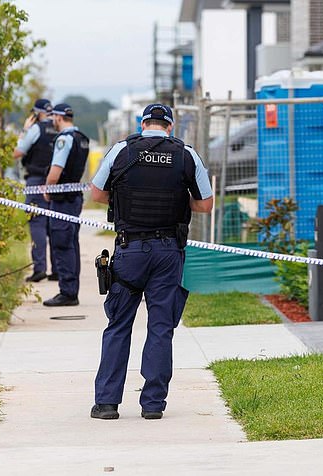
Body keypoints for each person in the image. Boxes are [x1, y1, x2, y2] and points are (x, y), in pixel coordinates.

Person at [89, 103, 213, 420]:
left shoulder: (121, 150)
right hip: (168, 251)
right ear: (170, 127)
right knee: (160, 328)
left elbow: (97, 195)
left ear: (143, 123)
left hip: (129, 251)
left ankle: (106, 403)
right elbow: (205, 205)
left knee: (118, 326)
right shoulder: (186, 154)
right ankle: (153, 404)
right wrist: (175, 198)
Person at [42, 103, 90, 307]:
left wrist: (47, 189)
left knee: (61, 243)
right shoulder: (83, 139)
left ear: (59, 118)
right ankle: (71, 289)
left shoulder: (64, 139)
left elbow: (56, 171)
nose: (52, 121)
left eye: (53, 117)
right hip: (74, 196)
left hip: (62, 199)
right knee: (71, 243)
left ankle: (68, 292)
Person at [13, 98, 59, 283]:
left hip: (35, 179)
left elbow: (18, 152)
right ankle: (57, 269)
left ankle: (39, 268)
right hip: (56, 182)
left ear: (36, 113)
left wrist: (24, 130)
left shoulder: (35, 129)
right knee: (54, 224)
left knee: (37, 223)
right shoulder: (58, 128)